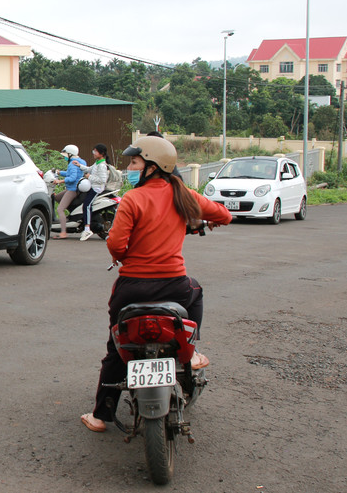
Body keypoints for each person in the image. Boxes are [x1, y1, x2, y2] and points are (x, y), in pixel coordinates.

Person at [79, 136, 232, 433]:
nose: (130, 168)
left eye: (135, 162)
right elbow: (223, 215)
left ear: (153, 166)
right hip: (175, 287)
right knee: (196, 291)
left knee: (116, 348)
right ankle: (194, 350)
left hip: (132, 288)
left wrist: (127, 252)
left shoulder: (134, 199)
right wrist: (206, 222)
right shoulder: (184, 195)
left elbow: (116, 245)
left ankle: (100, 416)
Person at [74, 143, 110, 241]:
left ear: (101, 153)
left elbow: (102, 180)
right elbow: (89, 169)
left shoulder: (102, 165)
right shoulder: (98, 163)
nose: (93, 153)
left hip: (97, 188)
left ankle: (87, 228)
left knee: (87, 206)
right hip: (93, 186)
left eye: (95, 151)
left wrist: (89, 177)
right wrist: (79, 165)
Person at [52, 144, 86, 239]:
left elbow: (72, 178)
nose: (64, 157)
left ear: (70, 154)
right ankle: (69, 217)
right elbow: (70, 173)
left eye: (65, 155)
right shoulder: (81, 161)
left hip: (72, 190)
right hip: (76, 188)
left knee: (60, 209)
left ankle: (63, 232)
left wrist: (60, 181)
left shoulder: (72, 163)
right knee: (56, 197)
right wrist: (60, 172)